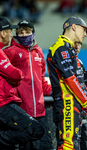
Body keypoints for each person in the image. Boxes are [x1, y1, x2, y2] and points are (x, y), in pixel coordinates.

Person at [46, 16, 87, 150]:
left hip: (71, 103)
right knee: (68, 145)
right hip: (67, 103)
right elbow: (70, 79)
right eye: (84, 30)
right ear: (74, 27)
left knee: (72, 144)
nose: (85, 34)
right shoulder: (61, 48)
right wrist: (86, 102)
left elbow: (77, 80)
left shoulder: (67, 48)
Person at [3, 19, 53, 150]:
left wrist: (51, 91)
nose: (24, 35)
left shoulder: (39, 51)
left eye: (27, 31)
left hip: (40, 111)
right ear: (16, 34)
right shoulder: (9, 51)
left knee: (46, 146)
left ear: (33, 33)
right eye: (21, 32)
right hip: (22, 111)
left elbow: (41, 79)